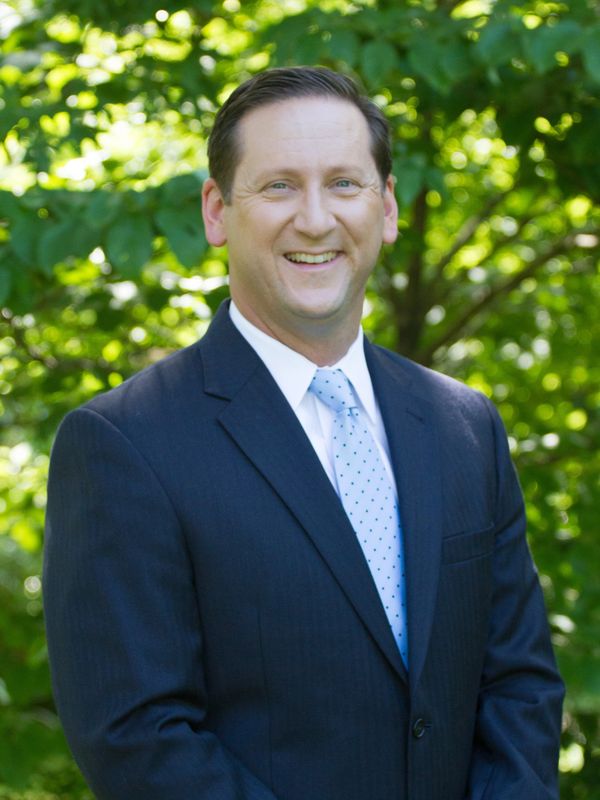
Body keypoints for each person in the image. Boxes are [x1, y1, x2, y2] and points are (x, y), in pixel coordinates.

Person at [43, 66, 564, 800]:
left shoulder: (463, 425)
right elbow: (139, 739)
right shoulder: (124, 443)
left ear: (386, 207)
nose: (316, 219)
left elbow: (519, 687)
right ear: (218, 211)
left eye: (344, 184)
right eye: (280, 186)